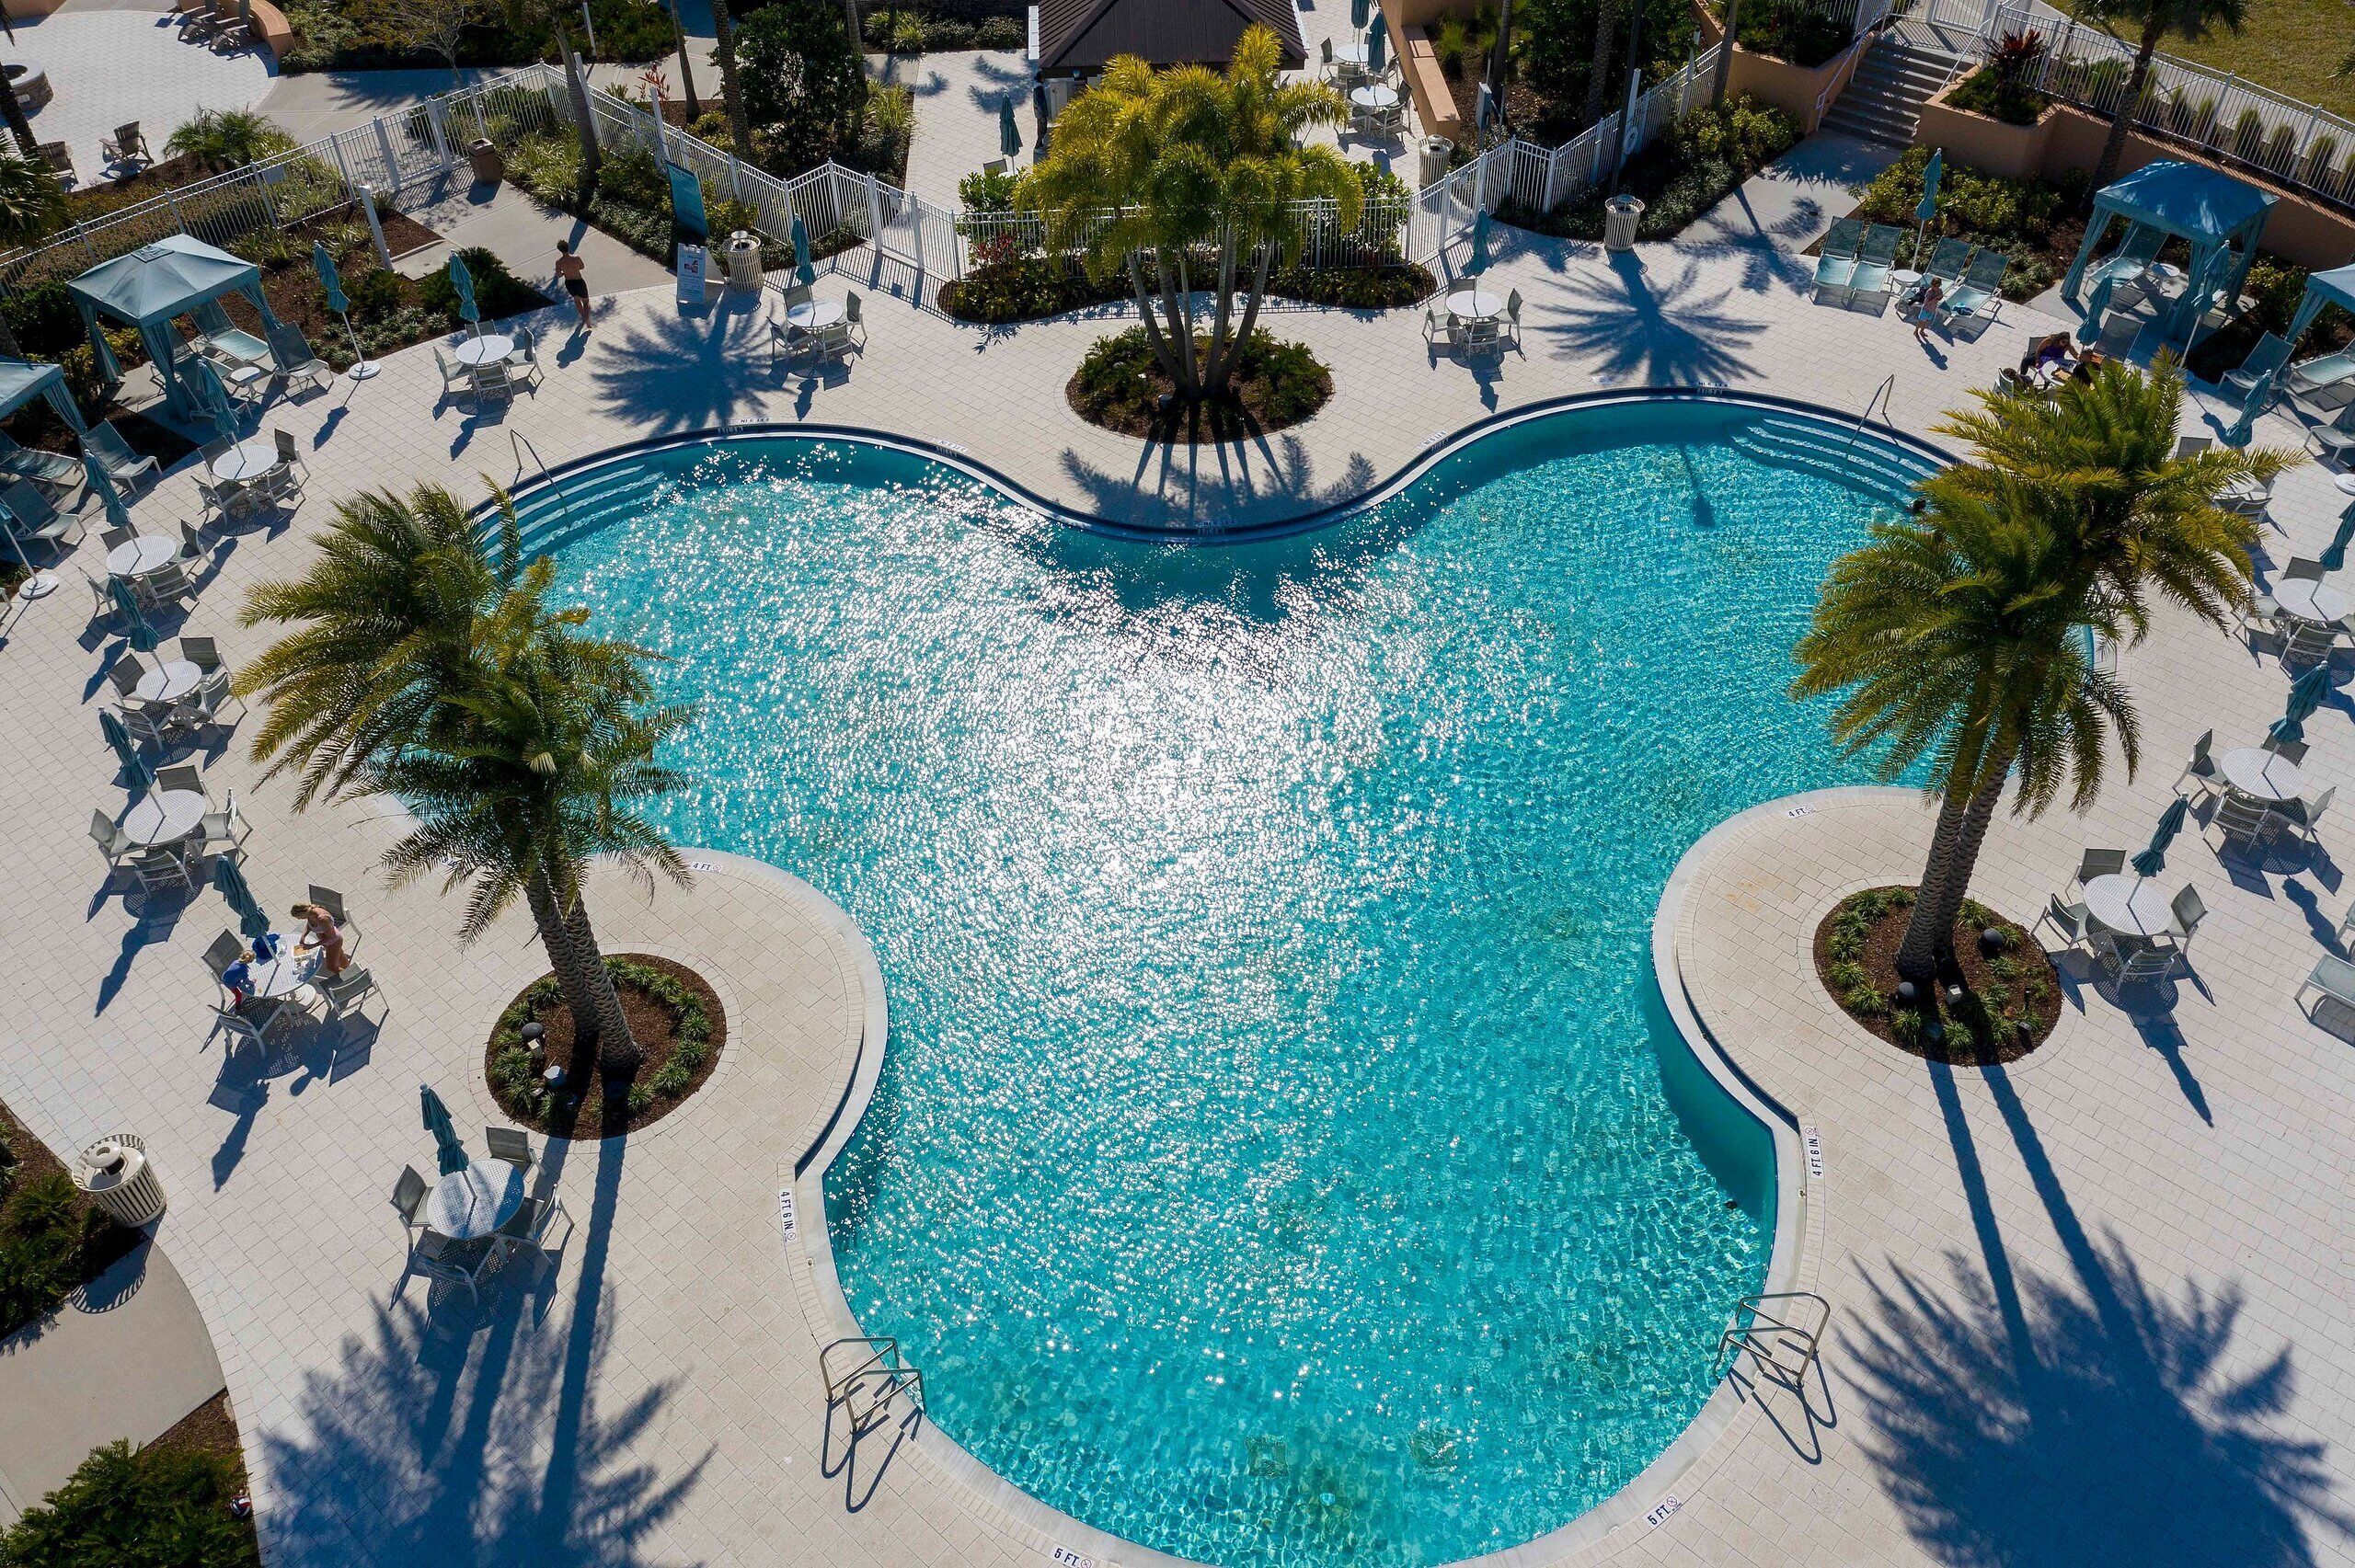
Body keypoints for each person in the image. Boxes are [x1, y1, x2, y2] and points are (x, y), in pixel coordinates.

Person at [292, 901, 350, 976]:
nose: (299, 919)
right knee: (340, 954)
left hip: (333, 941)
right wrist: (303, 936)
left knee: (331, 967)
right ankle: (347, 967)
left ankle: (348, 976)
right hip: (326, 941)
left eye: (298, 917)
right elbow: (309, 925)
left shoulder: (322, 919)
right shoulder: (310, 913)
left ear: (302, 913)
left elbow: (330, 937)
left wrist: (312, 946)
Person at [555, 240, 592, 329]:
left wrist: (564, 272)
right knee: (586, 302)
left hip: (569, 283)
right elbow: (582, 267)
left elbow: (559, 275)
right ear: (568, 247)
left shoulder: (559, 262)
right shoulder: (576, 258)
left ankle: (583, 316)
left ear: (560, 250)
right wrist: (575, 268)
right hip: (579, 281)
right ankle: (587, 320)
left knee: (576, 300)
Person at [1911, 277, 1946, 344]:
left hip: (1932, 309)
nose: (1937, 288)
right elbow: (1927, 301)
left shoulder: (1939, 290)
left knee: (1926, 321)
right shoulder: (1929, 291)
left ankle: (1922, 331)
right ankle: (1916, 331)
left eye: (1938, 286)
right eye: (1936, 286)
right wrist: (1934, 298)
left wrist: (1939, 298)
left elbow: (1941, 296)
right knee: (1921, 321)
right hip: (1926, 309)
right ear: (1932, 285)